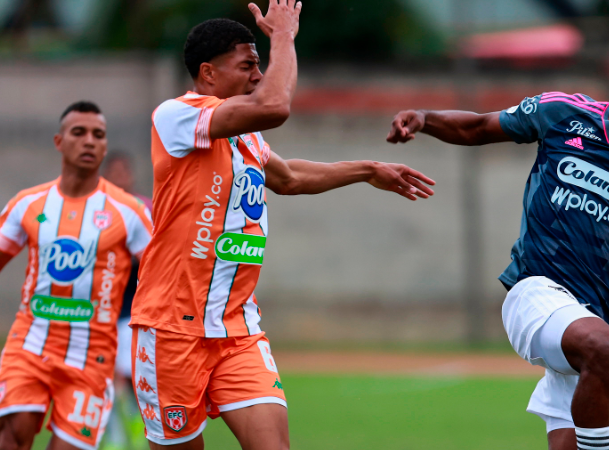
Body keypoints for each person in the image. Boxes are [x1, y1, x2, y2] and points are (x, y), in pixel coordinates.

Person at [130, 2, 436, 448]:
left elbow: (289, 177)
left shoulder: (244, 135)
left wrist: (367, 170)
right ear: (208, 73)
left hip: (238, 330)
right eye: (247, 65)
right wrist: (283, 36)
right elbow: (274, 105)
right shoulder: (176, 115)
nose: (258, 75)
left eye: (259, 65)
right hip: (172, 329)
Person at [386, 56, 609, 450]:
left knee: (574, 428)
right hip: (536, 293)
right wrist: (425, 119)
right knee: (602, 346)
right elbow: (477, 127)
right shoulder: (563, 114)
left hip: (591, 323)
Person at [0, 101, 154, 450]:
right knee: (13, 435)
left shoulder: (130, 212)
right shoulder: (28, 204)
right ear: (59, 141)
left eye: (98, 135)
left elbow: (162, 268)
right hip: (31, 343)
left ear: (105, 146)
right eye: (79, 132)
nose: (89, 141)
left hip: (92, 356)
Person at [99, 150, 150, 450]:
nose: (120, 178)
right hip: (101, 310)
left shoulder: (144, 208)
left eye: (124, 172)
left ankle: (137, 426)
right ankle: (114, 436)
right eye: (114, 173)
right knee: (105, 377)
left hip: (133, 309)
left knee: (133, 377)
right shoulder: (97, 211)